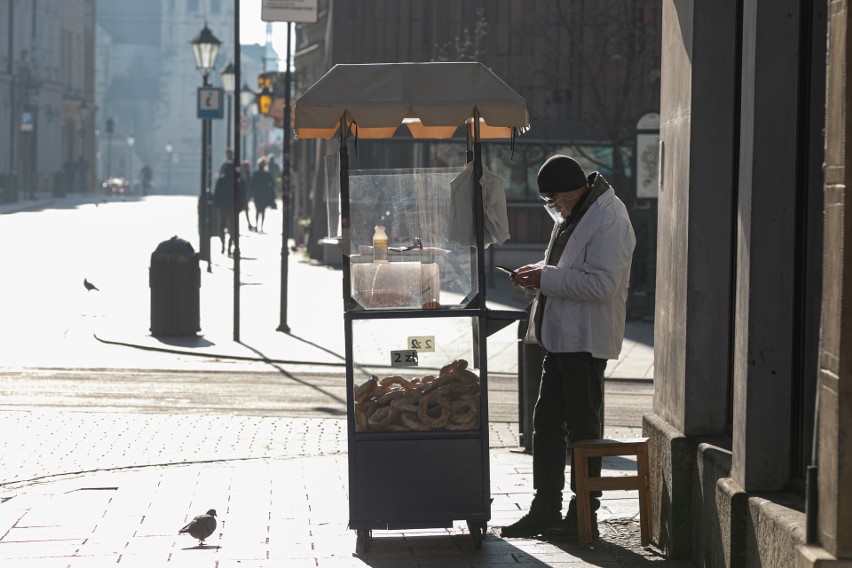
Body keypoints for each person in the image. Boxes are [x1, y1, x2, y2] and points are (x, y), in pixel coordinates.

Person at [500, 155, 636, 541]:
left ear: (570, 190)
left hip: (585, 342)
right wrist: (535, 276)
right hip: (561, 341)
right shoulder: (576, 212)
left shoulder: (608, 218)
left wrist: (546, 278)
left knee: (582, 431)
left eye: (552, 199)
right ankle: (545, 509)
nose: (551, 207)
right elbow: (564, 268)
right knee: (545, 427)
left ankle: (583, 514)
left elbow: (601, 286)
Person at [213, 149, 236, 255]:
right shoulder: (234, 179)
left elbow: (216, 193)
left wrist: (217, 204)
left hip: (224, 206)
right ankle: (228, 246)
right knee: (232, 227)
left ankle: (224, 246)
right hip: (231, 205)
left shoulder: (222, 180)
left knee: (222, 227)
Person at [250, 157, 276, 232]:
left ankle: (259, 226)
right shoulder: (266, 174)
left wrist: (250, 193)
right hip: (263, 194)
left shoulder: (258, 174)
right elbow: (273, 184)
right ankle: (260, 227)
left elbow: (252, 184)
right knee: (262, 211)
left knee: (258, 211)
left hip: (258, 194)